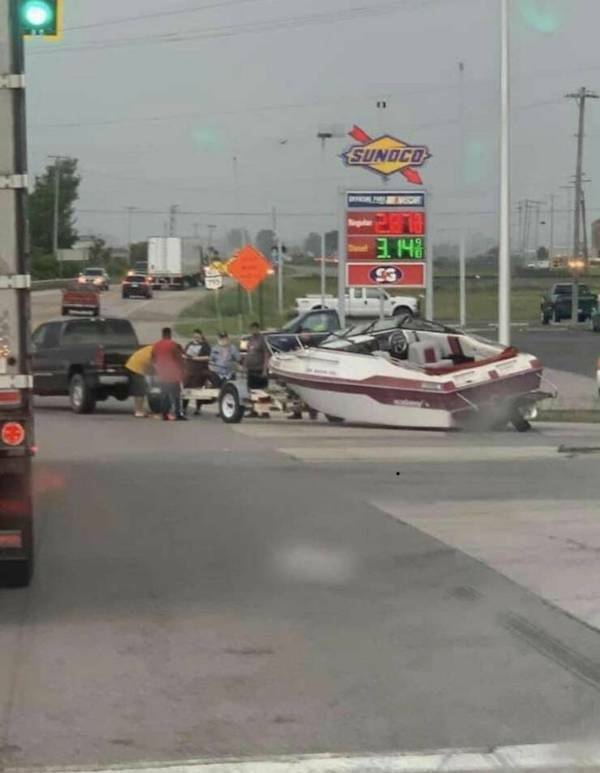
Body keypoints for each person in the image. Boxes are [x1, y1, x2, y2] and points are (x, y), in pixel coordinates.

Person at [152, 327, 186, 421]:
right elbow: (179, 359)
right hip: (173, 374)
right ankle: (177, 413)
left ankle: (164, 414)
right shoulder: (173, 345)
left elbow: (153, 358)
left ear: (162, 334)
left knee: (164, 395)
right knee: (176, 395)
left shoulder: (156, 345)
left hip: (162, 374)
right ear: (170, 334)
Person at [182, 329, 212, 415]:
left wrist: (196, 358)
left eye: (197, 336)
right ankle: (184, 408)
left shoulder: (205, 345)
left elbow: (209, 357)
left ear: (201, 336)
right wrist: (184, 357)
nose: (196, 338)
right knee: (186, 389)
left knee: (198, 390)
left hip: (200, 369)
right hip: (189, 369)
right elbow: (184, 354)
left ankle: (198, 408)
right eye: (194, 336)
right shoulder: (189, 344)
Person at [125, 344, 154, 418]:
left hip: (138, 363)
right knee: (140, 388)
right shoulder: (160, 351)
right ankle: (138, 411)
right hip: (136, 366)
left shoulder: (158, 348)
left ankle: (139, 409)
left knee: (141, 387)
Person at [245, 321, 269, 390]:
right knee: (251, 390)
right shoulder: (250, 340)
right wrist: (245, 366)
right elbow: (248, 353)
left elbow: (266, 355)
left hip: (260, 370)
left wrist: (265, 370)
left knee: (261, 391)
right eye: (252, 329)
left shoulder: (262, 339)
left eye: (255, 329)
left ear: (258, 329)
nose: (253, 331)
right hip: (251, 370)